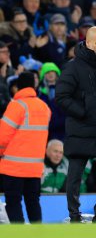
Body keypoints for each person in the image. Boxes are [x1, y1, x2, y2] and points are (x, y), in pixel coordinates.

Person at [56, 26, 96, 223]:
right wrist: (84, 112)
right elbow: (61, 97)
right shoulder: (73, 67)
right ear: (87, 42)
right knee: (75, 175)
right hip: (82, 130)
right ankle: (74, 215)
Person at [0, 72, 51, 223]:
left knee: (13, 204)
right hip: (35, 169)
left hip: (13, 168)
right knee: (33, 203)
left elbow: (2, 137)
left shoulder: (16, 105)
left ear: (18, 86)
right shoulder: (44, 107)